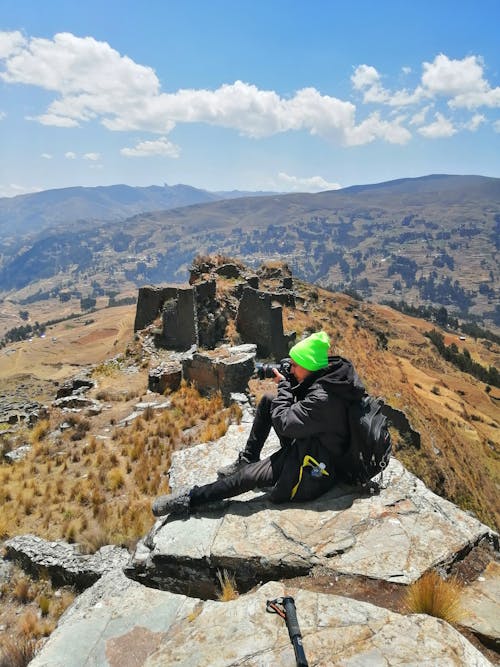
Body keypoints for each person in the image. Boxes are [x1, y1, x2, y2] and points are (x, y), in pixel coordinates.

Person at [152, 331, 365, 517]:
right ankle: (248, 458)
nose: (290, 369)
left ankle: (191, 498)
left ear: (308, 366)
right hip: (315, 438)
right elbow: (300, 403)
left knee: (248, 477)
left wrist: (284, 386)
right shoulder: (326, 377)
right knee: (268, 401)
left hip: (315, 462)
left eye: (294, 365)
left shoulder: (323, 399)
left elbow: (284, 424)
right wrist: (290, 384)